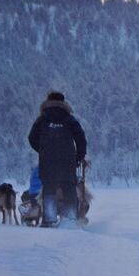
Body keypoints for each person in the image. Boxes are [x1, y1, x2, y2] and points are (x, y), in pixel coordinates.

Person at [27, 90, 88, 226]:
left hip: (47, 163)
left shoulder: (42, 119)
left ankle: (49, 221)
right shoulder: (69, 119)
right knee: (69, 190)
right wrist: (78, 157)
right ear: (63, 103)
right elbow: (81, 139)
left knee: (49, 190)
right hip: (67, 162)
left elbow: (31, 138)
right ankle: (70, 221)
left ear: (47, 102)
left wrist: (43, 151)